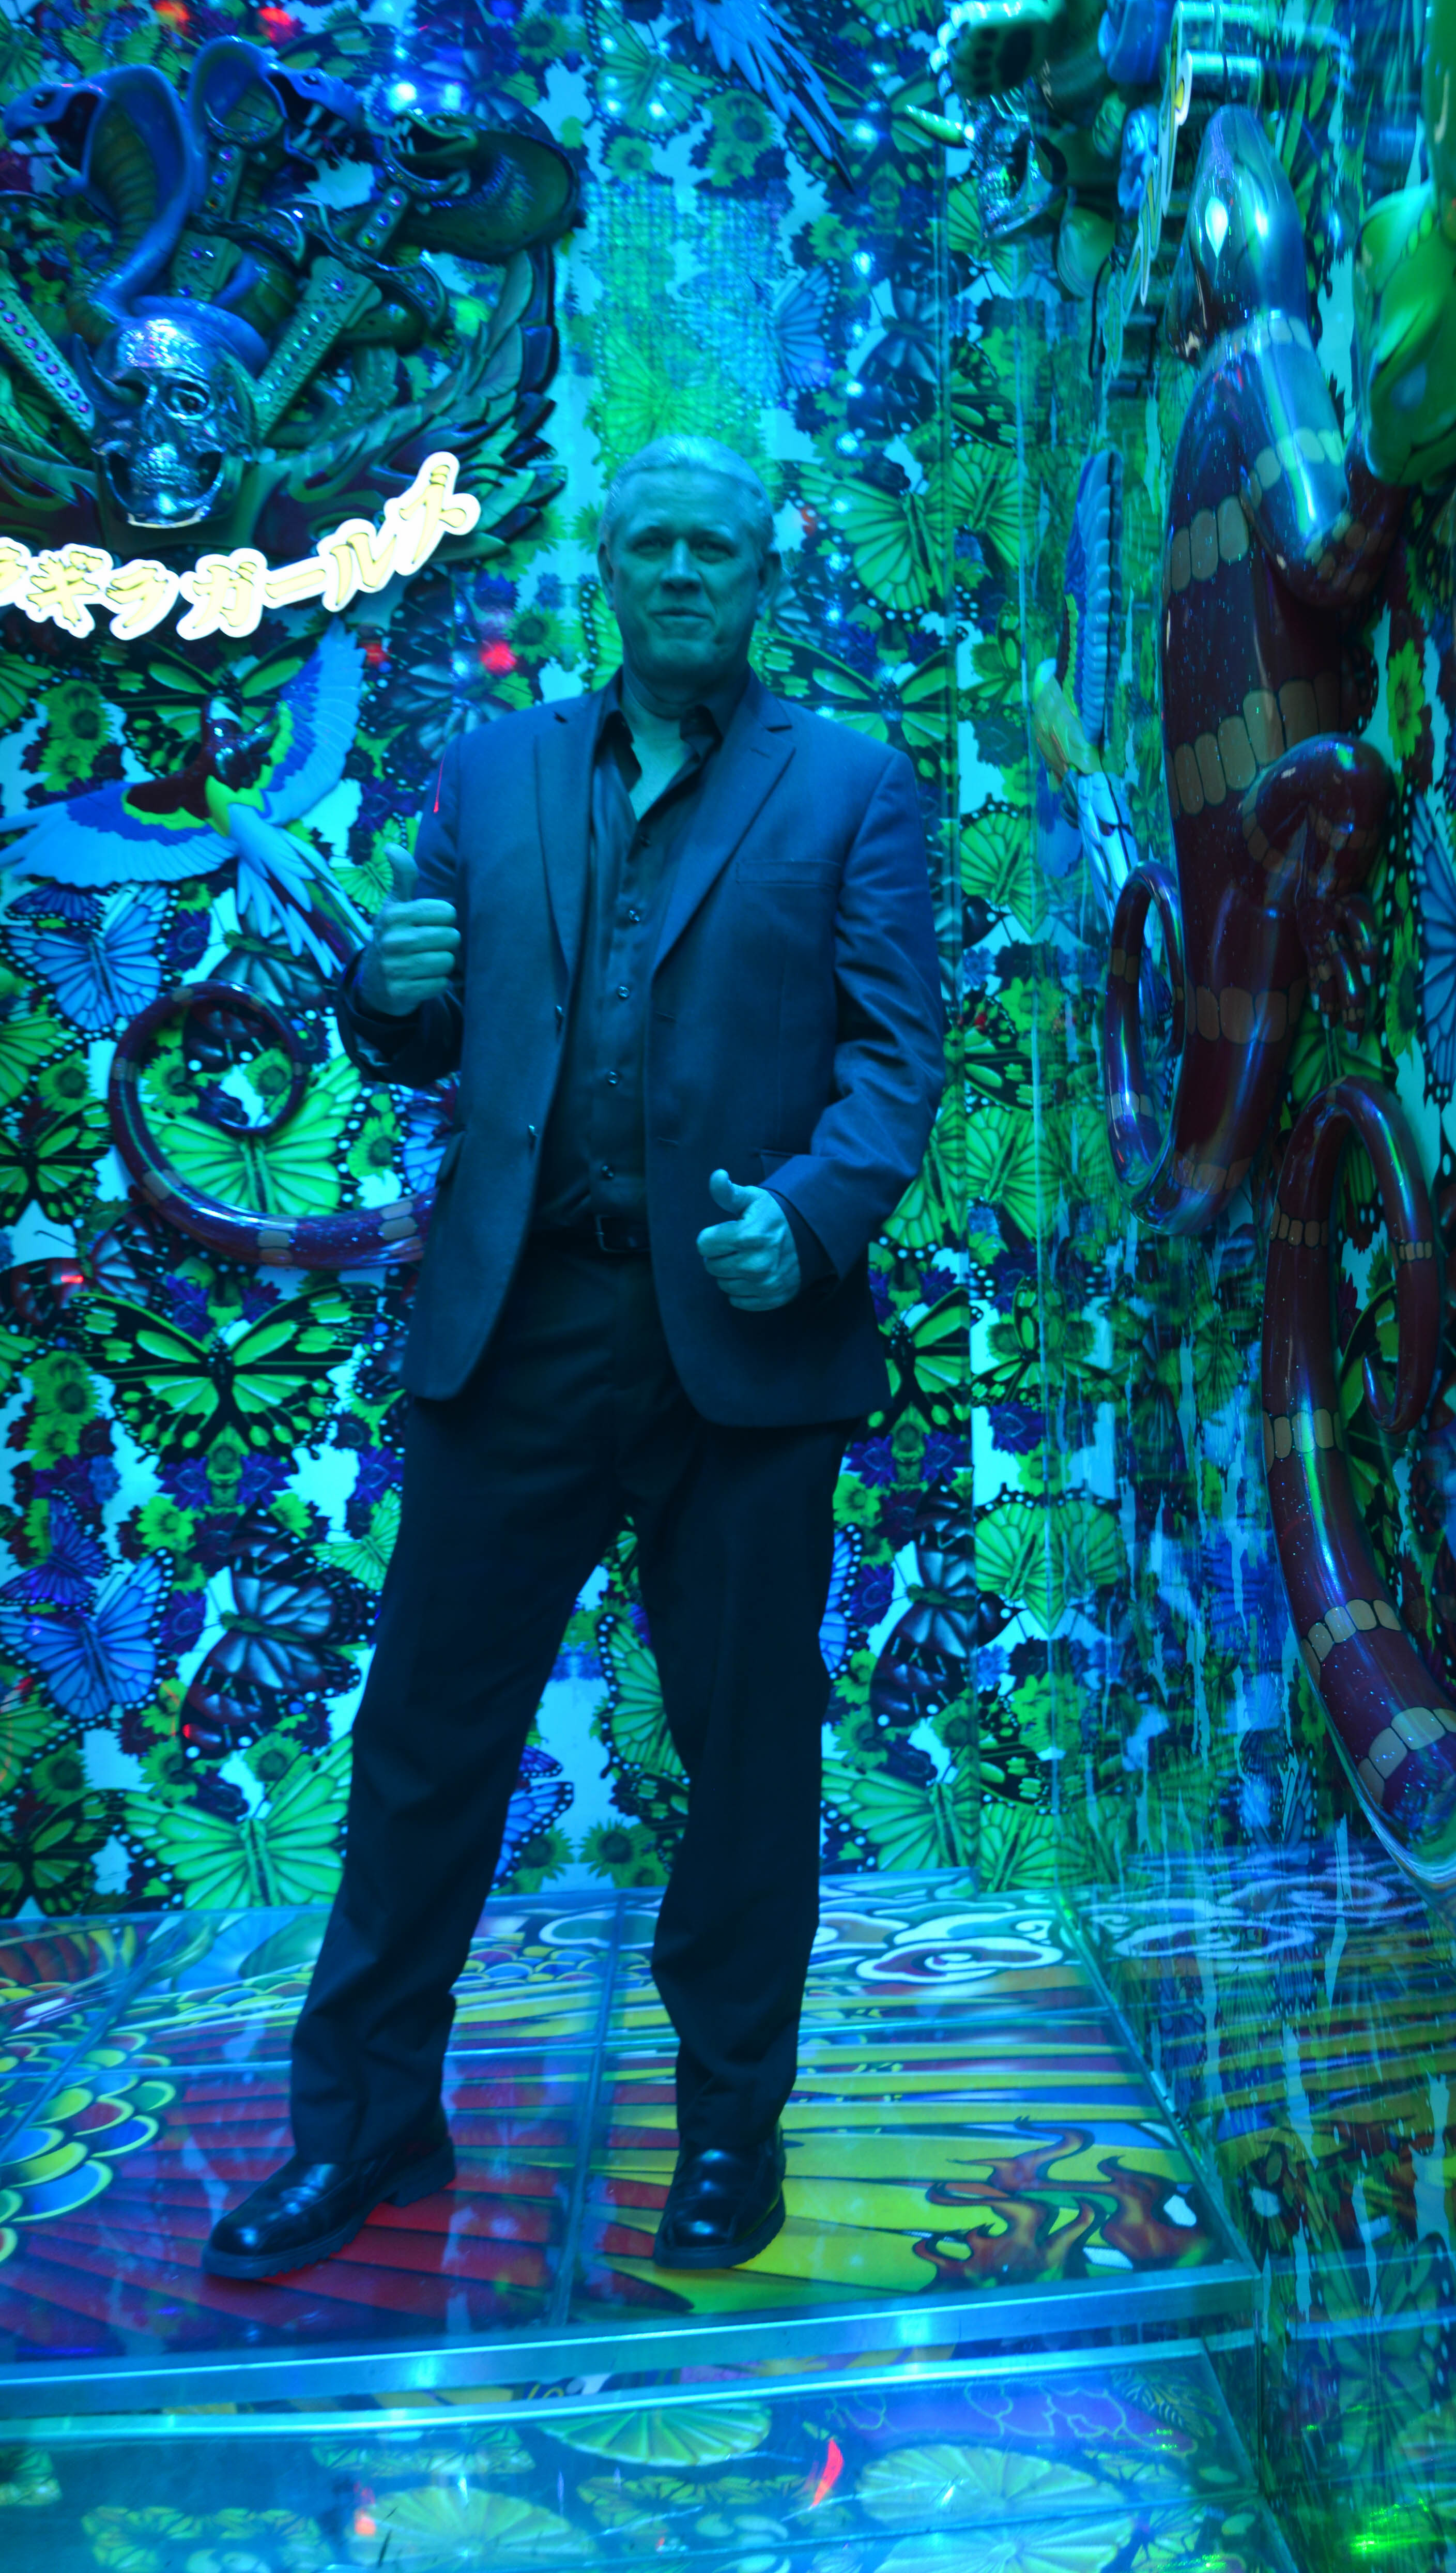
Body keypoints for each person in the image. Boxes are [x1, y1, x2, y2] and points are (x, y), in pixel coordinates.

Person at [202, 435, 945, 2284]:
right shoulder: (490, 774)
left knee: (748, 1759)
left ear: (763, 579)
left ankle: (729, 2132)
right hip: (518, 1325)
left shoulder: (854, 787)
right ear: (609, 574)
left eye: (717, 548)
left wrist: (815, 1215)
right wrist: (382, 997)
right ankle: (365, 2129)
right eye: (653, 544)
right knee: (423, 1748)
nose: (683, 570)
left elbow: (894, 1058)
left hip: (746, 1341)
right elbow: (425, 1026)